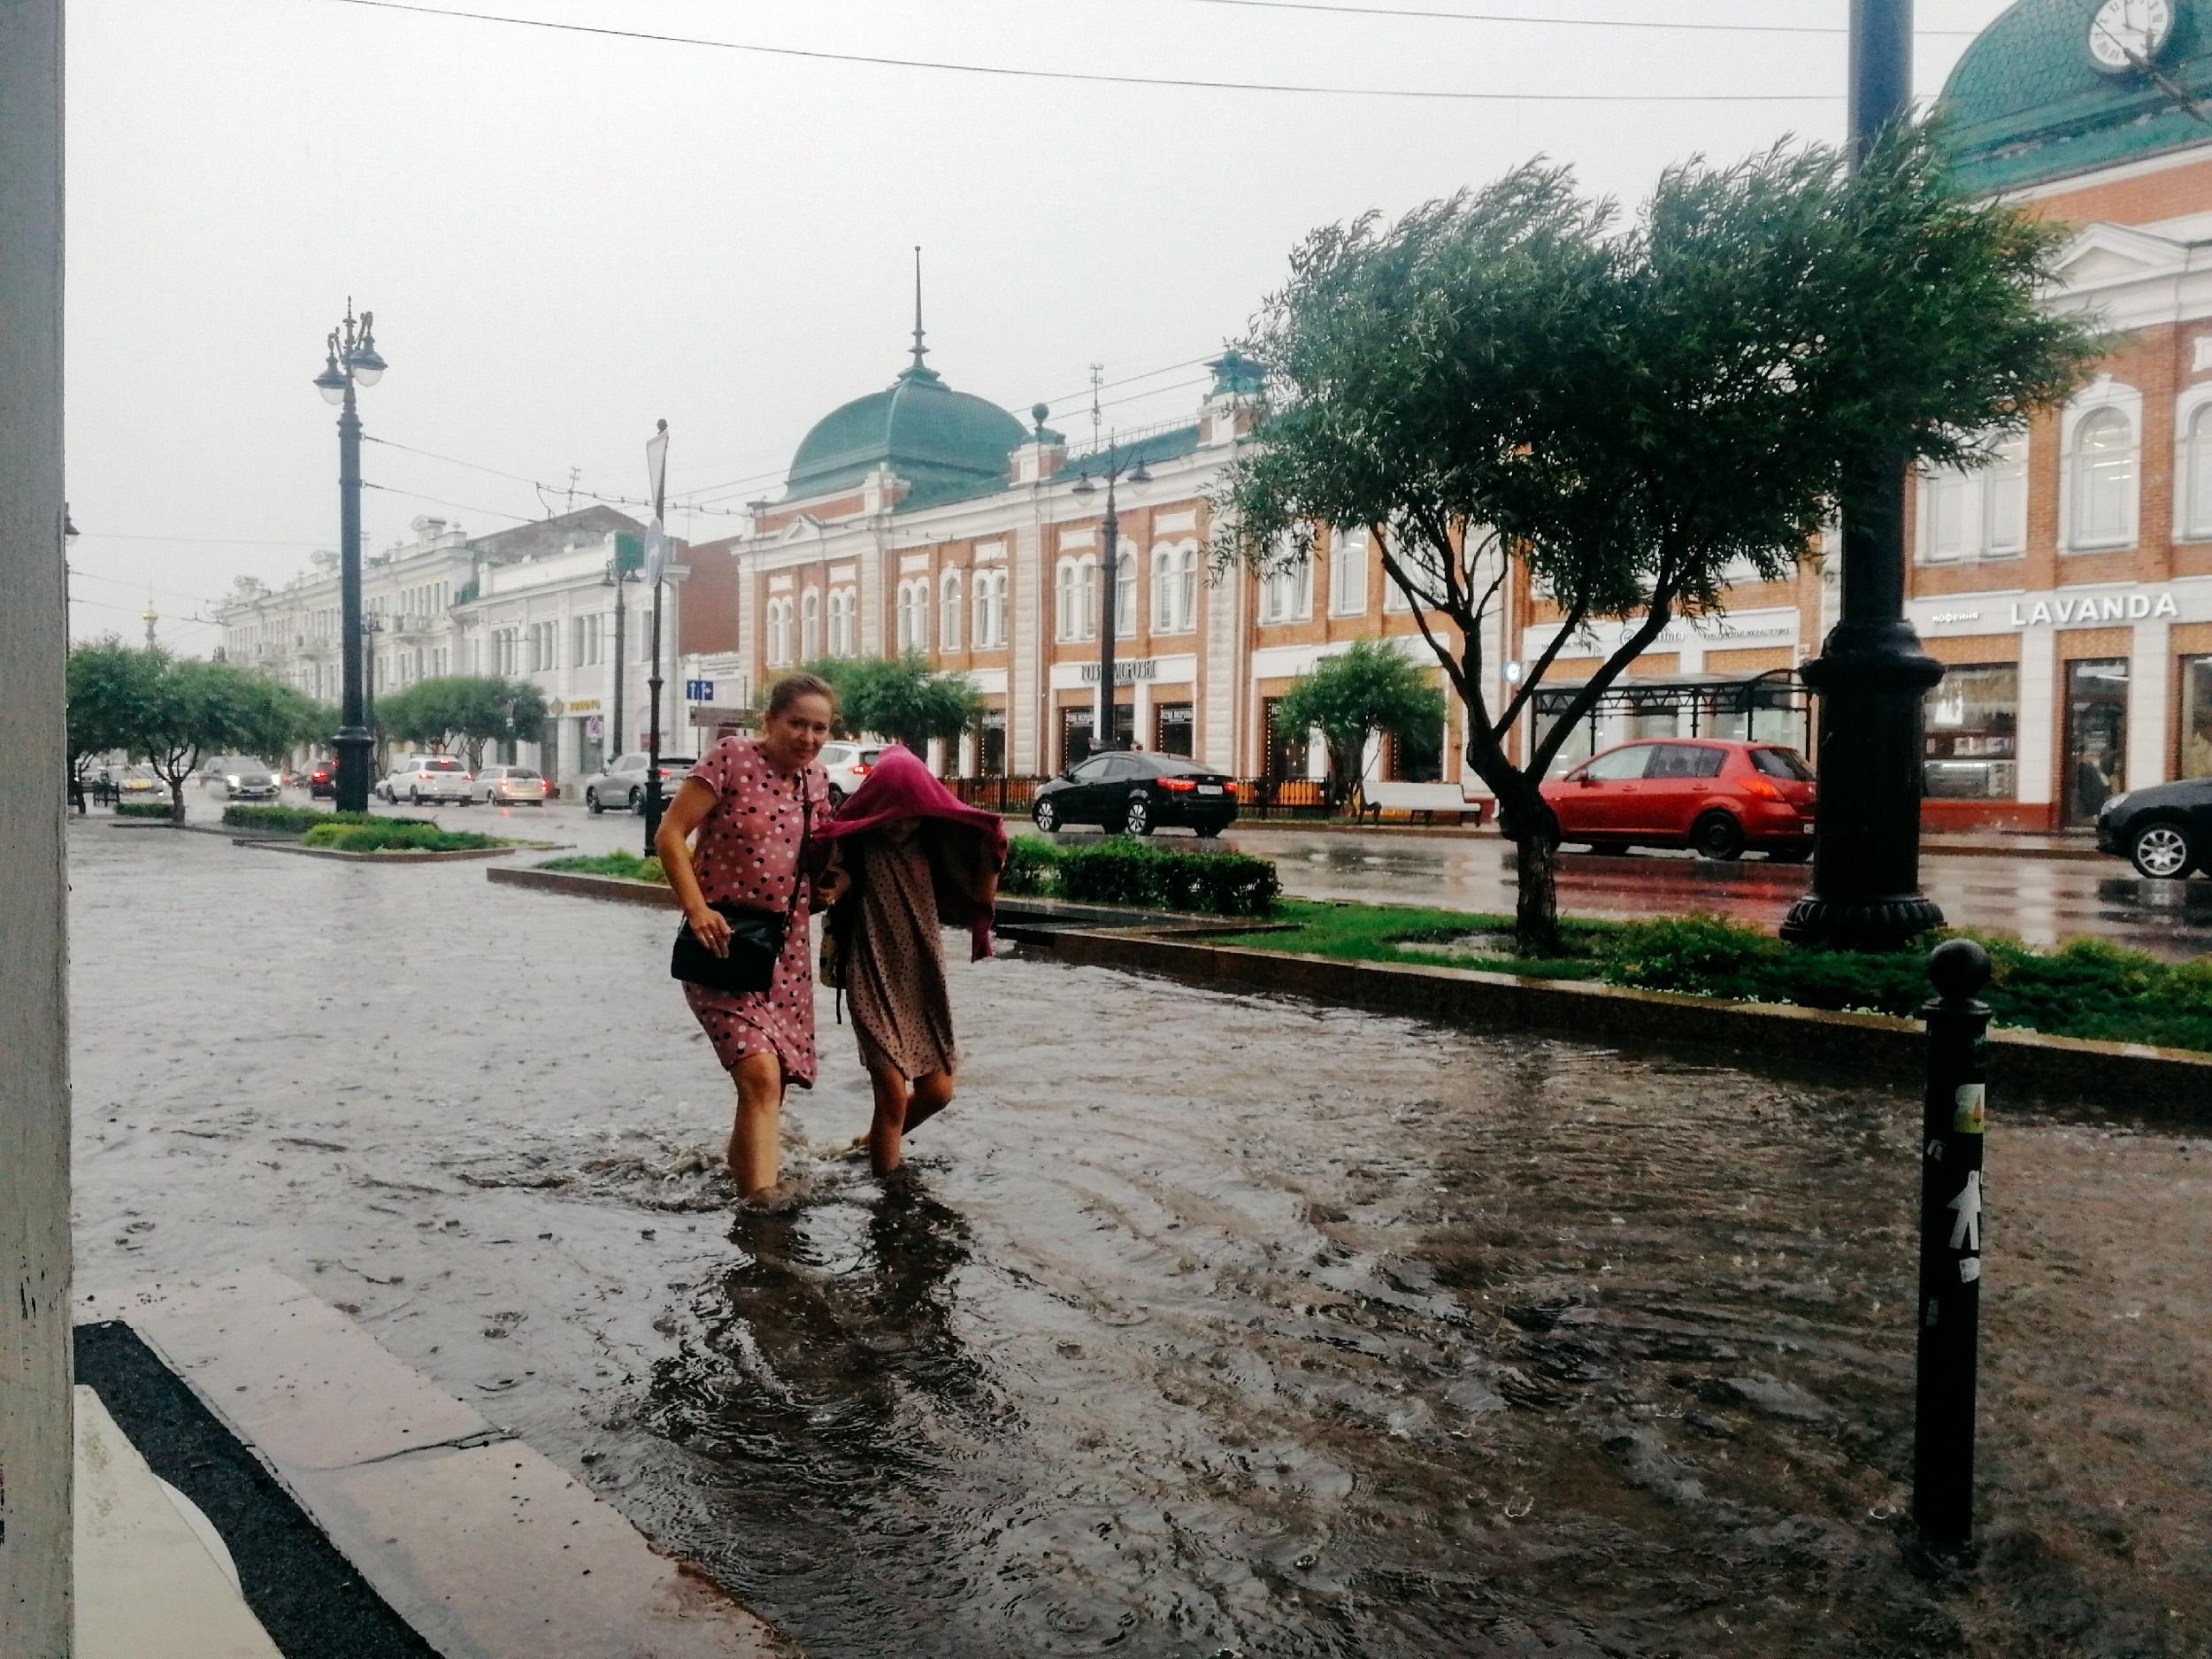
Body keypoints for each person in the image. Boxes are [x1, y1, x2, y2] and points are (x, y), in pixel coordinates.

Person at [655, 672, 835, 1202]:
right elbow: (669, 834)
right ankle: (763, 1210)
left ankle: (746, 1187)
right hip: (722, 942)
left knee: (769, 1086)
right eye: (796, 723)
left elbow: (828, 855)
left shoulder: (817, 782)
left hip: (785, 953)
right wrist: (697, 909)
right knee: (758, 1076)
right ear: (770, 719)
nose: (807, 736)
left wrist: (833, 886)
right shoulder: (730, 759)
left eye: (819, 727)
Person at [815, 747, 1007, 1178]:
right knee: (891, 1096)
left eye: (912, 811)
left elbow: (980, 895)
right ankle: (889, 1197)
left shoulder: (933, 843)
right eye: (893, 811)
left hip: (922, 978)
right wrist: (831, 887)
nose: (902, 821)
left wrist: (993, 848)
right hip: (871, 974)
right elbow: (833, 878)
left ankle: (871, 1145)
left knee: (938, 1092)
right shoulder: (857, 844)